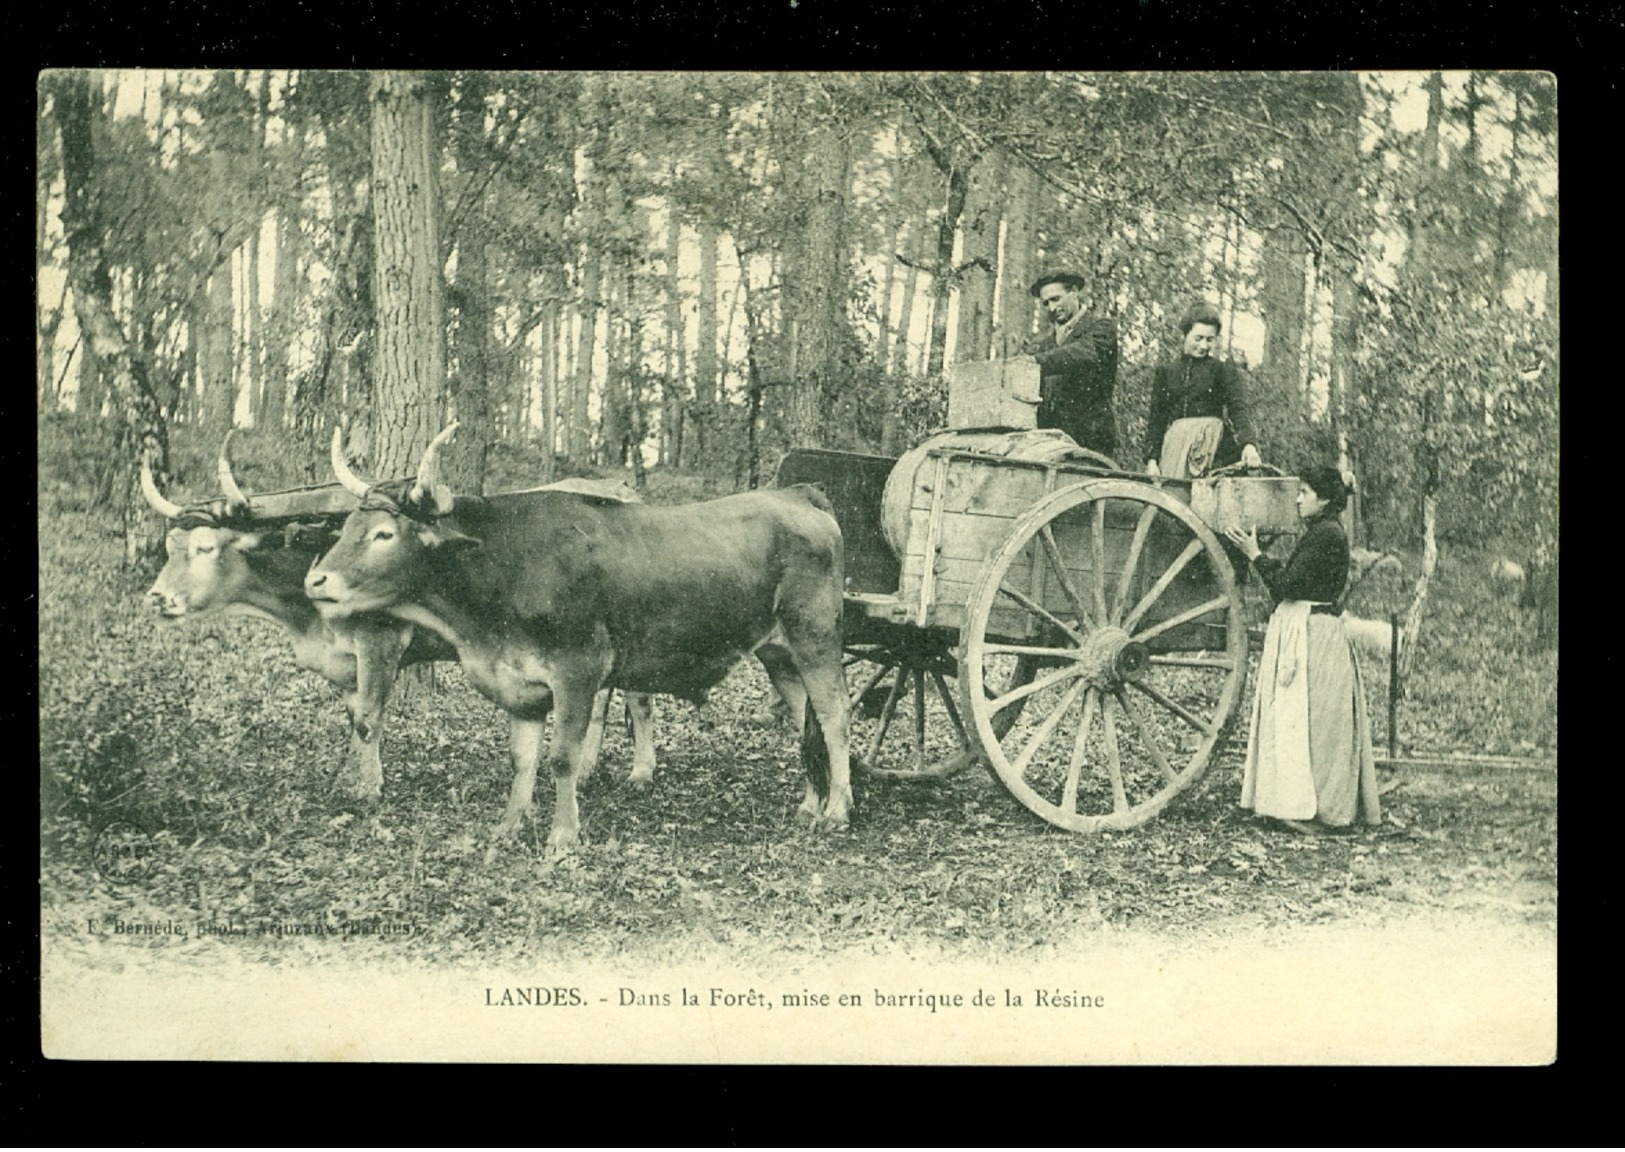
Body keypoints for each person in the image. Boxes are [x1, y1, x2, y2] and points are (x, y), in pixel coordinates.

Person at [1225, 465, 1380, 835]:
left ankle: (1319, 808)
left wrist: (1254, 554)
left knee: (1315, 722)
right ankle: (1292, 801)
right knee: (1303, 719)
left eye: (1305, 493)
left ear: (1324, 499)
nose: (1297, 499)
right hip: (1307, 629)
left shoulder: (1327, 535)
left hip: (1315, 636)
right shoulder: (1319, 532)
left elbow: (1287, 586)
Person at [1144, 302, 1262, 479]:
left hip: (1214, 449)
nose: (1204, 346)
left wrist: (1248, 444)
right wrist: (1152, 461)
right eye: (1198, 338)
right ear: (1185, 335)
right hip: (1176, 449)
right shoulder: (1167, 372)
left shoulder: (1221, 370)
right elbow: (1156, 420)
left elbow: (1238, 409)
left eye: (1210, 339)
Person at [1021, 270, 1119, 460]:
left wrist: (1035, 361)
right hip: (1048, 445)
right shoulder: (1042, 345)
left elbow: (1083, 352)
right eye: (1046, 303)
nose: (1051, 307)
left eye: (1056, 299)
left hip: (1091, 441)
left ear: (1074, 292)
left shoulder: (1101, 329)